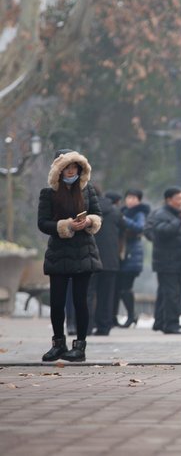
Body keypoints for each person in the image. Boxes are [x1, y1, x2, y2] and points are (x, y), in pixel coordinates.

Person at [38, 150, 103, 363]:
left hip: (84, 251)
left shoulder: (87, 190)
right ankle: (58, 343)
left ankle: (80, 347)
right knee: (57, 303)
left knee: (80, 301)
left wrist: (89, 222)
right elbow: (42, 223)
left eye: (74, 166)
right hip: (58, 253)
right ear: (58, 169)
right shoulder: (48, 193)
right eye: (67, 167)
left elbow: (98, 214)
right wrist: (65, 225)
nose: (71, 170)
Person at [146, 187, 181, 335]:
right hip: (166, 261)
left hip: (176, 261)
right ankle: (170, 324)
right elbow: (162, 231)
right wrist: (179, 221)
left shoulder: (177, 214)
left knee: (171, 293)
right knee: (171, 294)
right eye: (178, 198)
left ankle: (165, 322)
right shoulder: (162, 214)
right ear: (169, 200)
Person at [89, 191, 124, 336]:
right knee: (106, 295)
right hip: (110, 260)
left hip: (89, 258)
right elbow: (124, 230)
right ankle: (104, 327)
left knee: (88, 294)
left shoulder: (86, 212)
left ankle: (86, 327)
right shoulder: (116, 212)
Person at [116, 189, 149, 328]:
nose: (131, 200)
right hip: (124, 254)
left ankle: (131, 316)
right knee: (121, 287)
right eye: (129, 197)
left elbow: (139, 227)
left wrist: (124, 219)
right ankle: (130, 316)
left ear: (139, 200)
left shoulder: (138, 213)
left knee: (126, 287)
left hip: (132, 255)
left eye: (134, 198)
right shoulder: (123, 212)